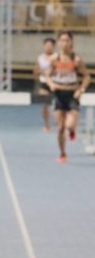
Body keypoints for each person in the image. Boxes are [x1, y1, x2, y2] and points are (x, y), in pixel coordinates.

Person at [46, 30, 91, 163]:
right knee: (60, 128)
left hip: (72, 94)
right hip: (59, 94)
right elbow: (47, 75)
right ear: (58, 42)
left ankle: (72, 130)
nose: (65, 43)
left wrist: (81, 90)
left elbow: (87, 77)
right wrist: (51, 84)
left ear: (71, 42)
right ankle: (62, 153)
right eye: (62, 40)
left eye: (67, 40)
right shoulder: (54, 59)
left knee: (69, 125)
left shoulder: (76, 59)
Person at [34, 37, 56, 132]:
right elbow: (36, 70)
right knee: (45, 105)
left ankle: (60, 121)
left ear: (53, 46)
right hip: (44, 83)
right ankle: (46, 125)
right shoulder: (40, 57)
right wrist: (43, 72)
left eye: (50, 45)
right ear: (44, 46)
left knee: (59, 104)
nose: (48, 47)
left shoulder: (57, 56)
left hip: (55, 82)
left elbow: (59, 70)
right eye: (46, 45)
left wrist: (51, 72)